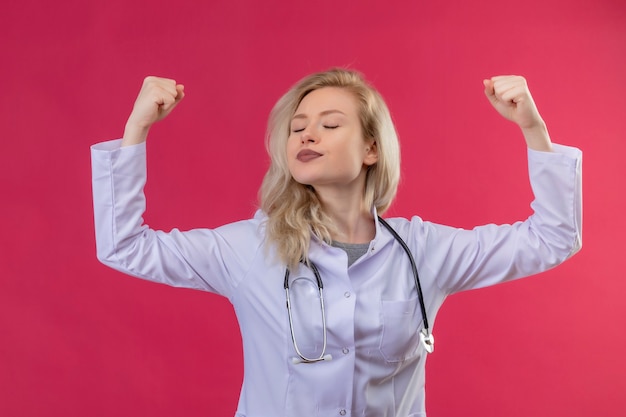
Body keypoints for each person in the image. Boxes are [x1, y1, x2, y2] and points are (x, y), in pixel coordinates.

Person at [91, 68, 582, 417]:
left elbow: (553, 237)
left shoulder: (423, 252)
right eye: (297, 128)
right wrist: (137, 130)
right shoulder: (249, 249)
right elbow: (125, 245)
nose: (308, 135)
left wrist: (533, 130)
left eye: (329, 125)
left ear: (371, 148)